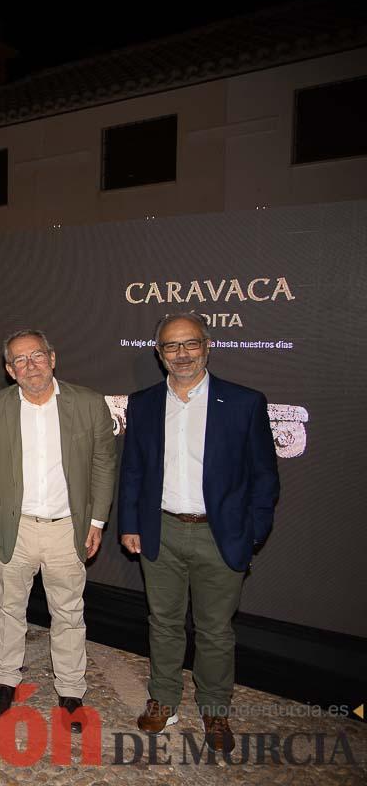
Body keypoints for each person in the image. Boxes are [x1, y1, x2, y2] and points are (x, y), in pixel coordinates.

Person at [119, 313, 279, 752]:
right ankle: (163, 699)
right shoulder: (144, 403)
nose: (182, 354)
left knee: (215, 630)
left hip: (220, 535)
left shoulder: (244, 402)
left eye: (190, 343)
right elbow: (133, 470)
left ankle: (214, 709)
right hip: (161, 530)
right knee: (164, 623)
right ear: (159, 353)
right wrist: (130, 524)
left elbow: (264, 476)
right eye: (171, 346)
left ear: (207, 346)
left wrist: (253, 532)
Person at [0, 330, 116, 730]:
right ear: (9, 369)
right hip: (12, 528)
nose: (30, 365)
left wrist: (97, 521)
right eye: (20, 360)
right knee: (8, 606)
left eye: (36, 356)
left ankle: (71, 691)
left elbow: (104, 463)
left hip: (68, 528)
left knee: (68, 611)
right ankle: (5, 680)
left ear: (52, 358)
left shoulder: (88, 403)